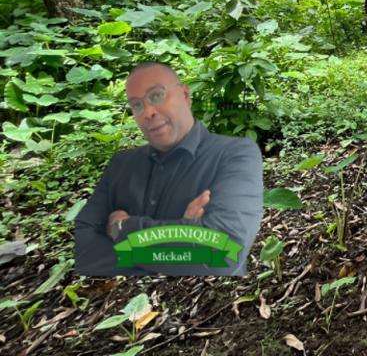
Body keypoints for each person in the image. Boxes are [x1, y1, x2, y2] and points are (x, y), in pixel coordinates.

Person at [74, 61, 264, 276]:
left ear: (185, 95)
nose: (148, 112)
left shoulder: (234, 154)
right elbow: (85, 255)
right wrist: (184, 235)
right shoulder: (121, 164)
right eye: (137, 105)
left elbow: (224, 254)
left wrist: (122, 229)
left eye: (156, 96)